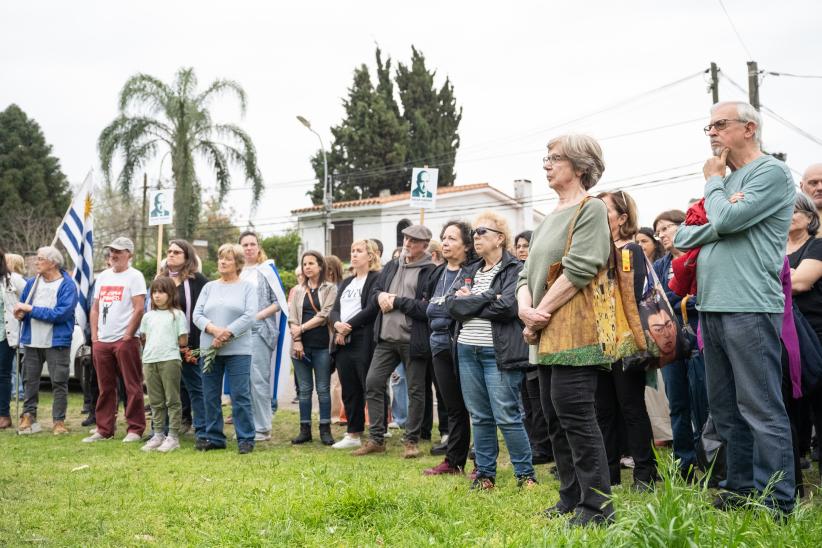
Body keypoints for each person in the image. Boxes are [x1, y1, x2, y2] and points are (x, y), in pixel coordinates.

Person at [674, 101, 796, 515]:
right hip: (713, 307)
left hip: (750, 305)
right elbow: (683, 239)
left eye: (720, 125)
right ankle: (740, 489)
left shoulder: (771, 172)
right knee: (725, 409)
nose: (712, 133)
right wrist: (723, 213)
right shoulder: (732, 182)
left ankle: (776, 501)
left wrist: (713, 183)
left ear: (748, 128)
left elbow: (723, 221)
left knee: (760, 408)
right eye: (707, 126)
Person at [517, 134, 614, 526]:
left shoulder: (590, 210)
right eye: (546, 157)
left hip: (575, 334)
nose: (546, 164)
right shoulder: (551, 213)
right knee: (554, 420)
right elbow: (524, 273)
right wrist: (526, 309)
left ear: (579, 165)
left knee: (577, 418)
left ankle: (597, 508)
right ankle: (570, 498)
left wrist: (539, 311)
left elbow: (581, 268)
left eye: (554, 158)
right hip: (543, 332)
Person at [443, 212, 537, 489]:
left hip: (498, 352)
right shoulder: (471, 270)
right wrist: (485, 298)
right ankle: (485, 475)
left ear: (499, 238)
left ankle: (525, 475)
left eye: (482, 231)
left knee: (506, 414)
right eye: (473, 232)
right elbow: (451, 306)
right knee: (480, 417)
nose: (475, 237)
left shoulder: (514, 269)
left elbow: (508, 306)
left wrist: (470, 300)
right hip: (466, 350)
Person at [353, 225, 436, 458]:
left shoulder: (430, 271)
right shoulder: (391, 265)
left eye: (414, 240)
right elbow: (374, 292)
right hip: (386, 339)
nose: (407, 243)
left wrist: (397, 301)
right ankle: (377, 439)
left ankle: (411, 441)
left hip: (413, 341)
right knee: (373, 382)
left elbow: (426, 308)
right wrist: (380, 296)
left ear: (425, 245)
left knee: (416, 390)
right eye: (406, 238)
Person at [596, 191, 657, 490]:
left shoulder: (630, 249)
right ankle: (609, 474)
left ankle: (645, 473)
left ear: (622, 218)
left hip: (625, 340)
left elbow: (630, 297)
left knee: (631, 407)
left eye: (605, 210)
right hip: (599, 341)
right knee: (603, 410)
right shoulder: (595, 249)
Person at [652, 209, 709, 480]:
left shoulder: (700, 255)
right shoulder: (660, 266)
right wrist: (684, 299)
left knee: (705, 401)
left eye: (666, 228)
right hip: (670, 341)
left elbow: (704, 295)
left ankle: (709, 459)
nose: (661, 234)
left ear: (683, 226)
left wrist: (679, 300)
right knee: (677, 403)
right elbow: (655, 300)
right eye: (658, 230)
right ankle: (682, 464)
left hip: (701, 334)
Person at [193, 243, 256, 454]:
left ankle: (246, 438)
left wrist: (226, 333)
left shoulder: (247, 288)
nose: (222, 262)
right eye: (221, 258)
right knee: (210, 394)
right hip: (209, 347)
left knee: (240, 395)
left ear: (238, 263)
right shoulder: (209, 287)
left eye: (227, 259)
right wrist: (212, 329)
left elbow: (249, 316)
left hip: (238, 349)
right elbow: (197, 315)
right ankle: (214, 437)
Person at [423, 221, 475, 475]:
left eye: (452, 238)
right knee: (452, 405)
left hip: (462, 343)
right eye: (443, 237)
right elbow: (430, 308)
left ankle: (482, 462)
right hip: (437, 344)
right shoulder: (437, 273)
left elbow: (462, 308)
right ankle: (453, 461)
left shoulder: (473, 272)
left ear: (467, 245)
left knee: (474, 406)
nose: (445, 242)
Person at [84, 237, 147, 443]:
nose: (114, 254)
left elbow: (139, 307)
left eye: (119, 251)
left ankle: (135, 429)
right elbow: (95, 307)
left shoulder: (135, 276)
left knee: (132, 386)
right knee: (105, 387)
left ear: (129, 254)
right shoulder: (103, 276)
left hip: (125, 340)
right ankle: (104, 429)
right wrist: (95, 336)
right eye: (111, 250)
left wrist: (128, 335)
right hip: (102, 340)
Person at [14, 247, 77, 435]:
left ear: (53, 262)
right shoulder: (32, 283)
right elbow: (24, 309)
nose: (36, 262)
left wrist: (30, 309)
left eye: (40, 259)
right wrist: (20, 314)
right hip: (32, 340)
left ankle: (58, 421)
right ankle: (28, 415)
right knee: (29, 380)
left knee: (59, 381)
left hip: (56, 342)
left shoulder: (67, 285)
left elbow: (61, 314)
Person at [330, 240, 382, 449]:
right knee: (349, 387)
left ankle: (379, 430)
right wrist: (337, 325)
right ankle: (353, 433)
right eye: (352, 251)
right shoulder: (347, 282)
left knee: (369, 385)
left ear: (370, 256)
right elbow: (334, 309)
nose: (354, 254)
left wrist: (348, 326)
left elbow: (372, 308)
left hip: (363, 338)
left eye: (359, 251)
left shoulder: (376, 278)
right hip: (343, 340)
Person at [785, 192, 822, 477]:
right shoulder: (774, 248)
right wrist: (789, 274)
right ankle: (795, 463)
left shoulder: (817, 245)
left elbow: (801, 282)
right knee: (790, 402)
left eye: (795, 210)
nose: (789, 214)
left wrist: (788, 276)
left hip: (815, 328)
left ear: (810, 217)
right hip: (787, 332)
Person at [160, 239, 208, 439]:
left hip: (190, 343)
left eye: (177, 252)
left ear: (187, 257)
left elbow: (204, 309)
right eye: (169, 251)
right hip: (164, 344)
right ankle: (162, 430)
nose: (171, 254)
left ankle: (203, 429)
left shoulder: (197, 280)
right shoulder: (161, 279)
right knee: (166, 389)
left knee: (195, 387)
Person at [288, 250, 338, 445]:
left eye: (311, 263)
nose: (307, 267)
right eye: (305, 264)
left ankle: (325, 429)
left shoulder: (330, 288)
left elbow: (325, 314)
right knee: (305, 389)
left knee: (323, 388)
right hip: (300, 346)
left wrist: (301, 328)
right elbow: (292, 317)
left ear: (320, 266)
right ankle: (305, 429)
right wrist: (298, 339)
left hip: (322, 345)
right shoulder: (298, 290)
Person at [513, 229, 553, 465]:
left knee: (540, 402)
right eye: (518, 246)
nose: (521, 250)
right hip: (520, 347)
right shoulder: (517, 273)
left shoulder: (541, 272)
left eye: (526, 245)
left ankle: (543, 447)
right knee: (528, 401)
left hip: (538, 340)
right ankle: (535, 443)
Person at [238, 231, 280, 442]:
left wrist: (256, 316)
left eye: (252, 244)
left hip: (259, 329)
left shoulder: (266, 271)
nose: (248, 248)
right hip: (237, 331)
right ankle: (246, 424)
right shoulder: (236, 272)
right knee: (242, 381)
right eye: (244, 244)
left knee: (258, 379)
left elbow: (278, 301)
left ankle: (263, 427)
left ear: (258, 247)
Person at [139, 277, 188, 453]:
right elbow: (144, 338)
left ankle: (173, 436)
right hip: (150, 360)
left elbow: (183, 340)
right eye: (154, 292)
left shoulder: (177, 315)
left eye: (162, 292)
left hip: (170, 360)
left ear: (171, 294)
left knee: (172, 399)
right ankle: (158, 433)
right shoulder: (147, 316)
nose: (157, 296)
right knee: (155, 401)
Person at [0, 248, 26, 430]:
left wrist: (22, 311)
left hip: (5, 335)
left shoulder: (13, 280)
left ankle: (3, 414)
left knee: (2, 375)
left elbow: (30, 299)